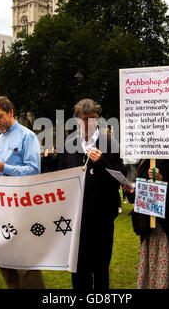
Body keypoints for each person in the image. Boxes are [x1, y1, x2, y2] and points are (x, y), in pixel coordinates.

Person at [57, 98, 124, 290]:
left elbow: (119, 179)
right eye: (84, 119)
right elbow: (61, 177)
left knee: (101, 269)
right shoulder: (68, 144)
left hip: (102, 217)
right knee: (78, 271)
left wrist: (101, 163)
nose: (89, 123)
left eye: (93, 118)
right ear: (77, 120)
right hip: (76, 219)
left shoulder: (110, 144)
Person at [0, 96, 44, 289]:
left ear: (11, 113)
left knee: (26, 263)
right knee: (5, 261)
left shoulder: (28, 136)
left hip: (21, 207)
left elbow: (34, 170)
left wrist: (4, 167)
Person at [122, 158, 169, 288]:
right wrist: (131, 192)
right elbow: (141, 194)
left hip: (168, 230)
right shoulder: (144, 161)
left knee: (165, 277)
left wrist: (162, 182)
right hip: (149, 229)